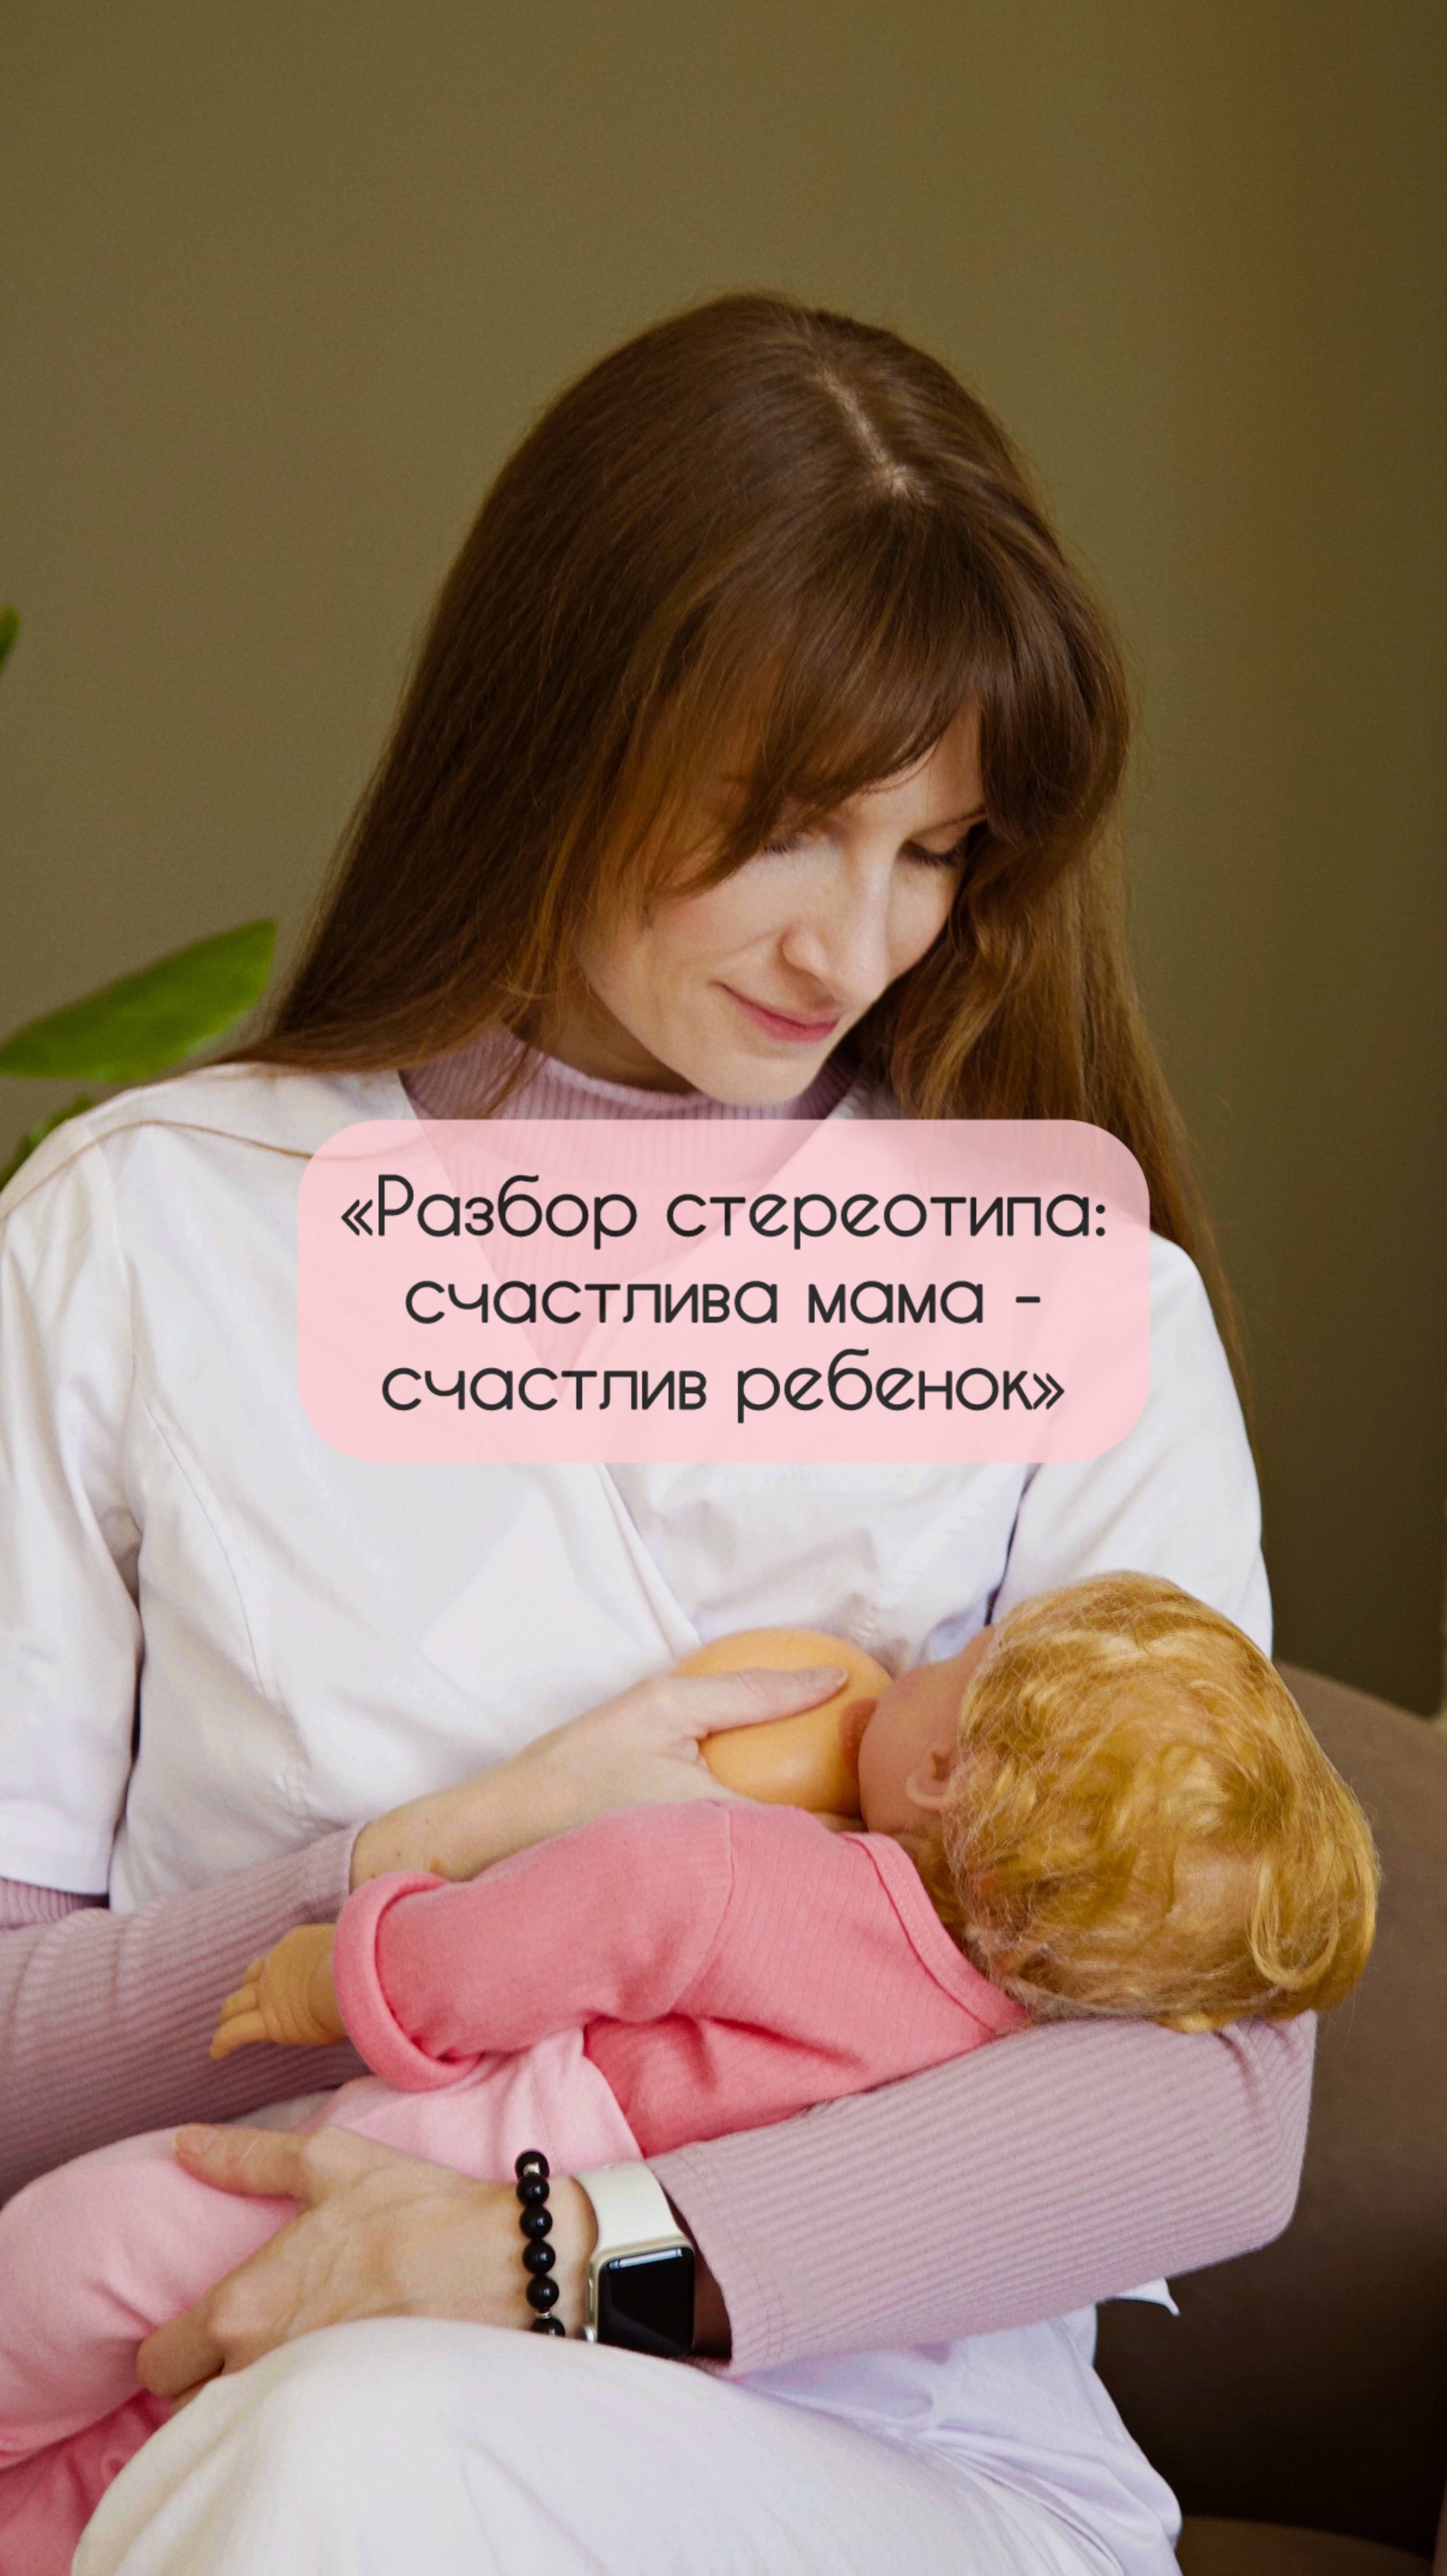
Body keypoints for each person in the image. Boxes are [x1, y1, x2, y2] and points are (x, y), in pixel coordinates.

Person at [0, 294, 1311, 2575]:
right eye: (788, 828)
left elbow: (1213, 2099)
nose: (857, 945)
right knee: (323, 2442)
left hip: (892, 2470)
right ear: (558, 731)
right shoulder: (143, 1236)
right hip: (204, 2399)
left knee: (361, 2445)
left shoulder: (1078, 1301)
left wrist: (558, 2261)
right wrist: (428, 1861)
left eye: (935, 851)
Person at [0, 1573, 1376, 2542]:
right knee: (196, 2441)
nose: (911, 1658)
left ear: (945, 1771)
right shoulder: (1023, 2011)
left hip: (461, 2171)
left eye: (962, 1654)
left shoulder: (745, 1871)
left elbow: (496, 1956)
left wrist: (340, 1969)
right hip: (679, 2362)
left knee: (92, 2250)